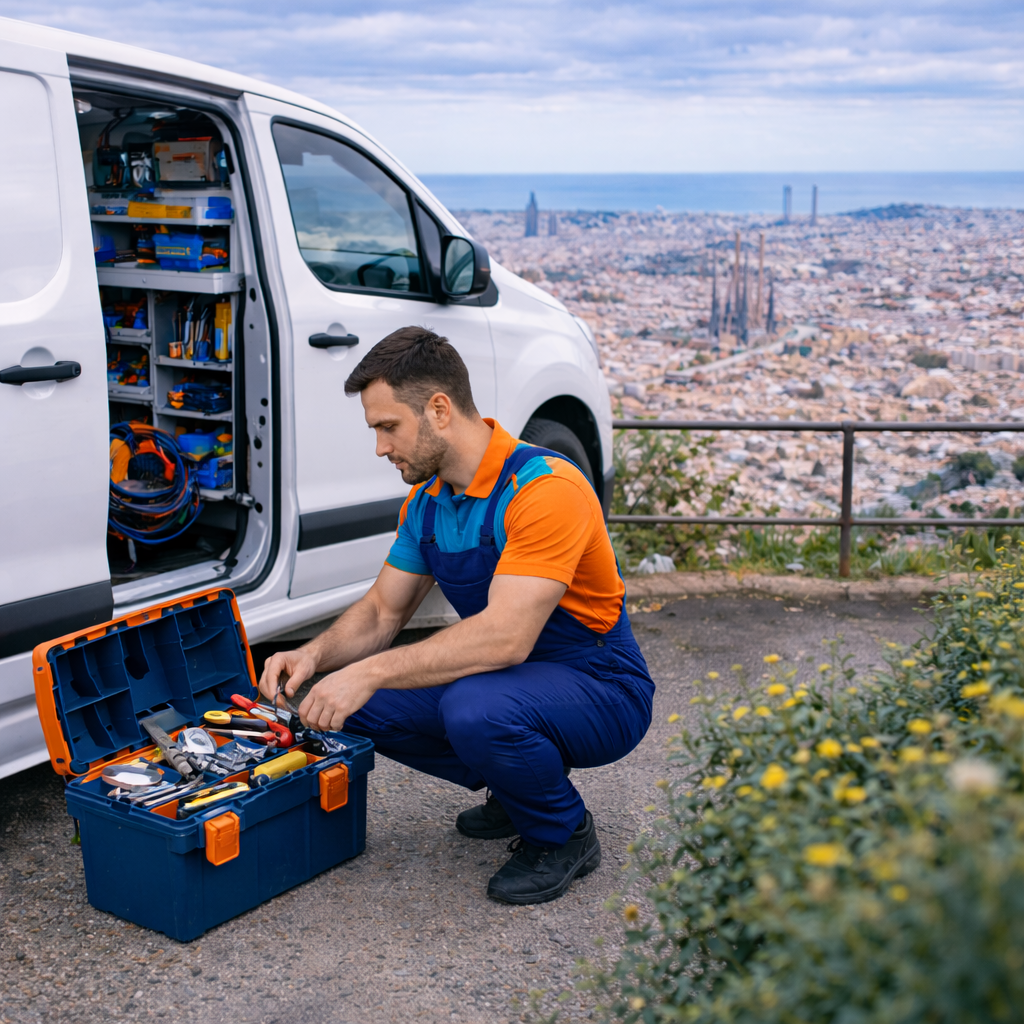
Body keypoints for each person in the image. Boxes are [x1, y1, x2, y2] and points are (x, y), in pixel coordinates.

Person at [258, 327, 655, 904]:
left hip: (601, 683)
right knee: (342, 706)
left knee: (474, 708)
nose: (380, 447)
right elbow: (381, 612)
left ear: (439, 410)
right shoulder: (426, 502)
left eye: (387, 427)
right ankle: (518, 789)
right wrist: (313, 657)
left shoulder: (545, 490)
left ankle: (562, 832)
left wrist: (370, 671)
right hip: (512, 680)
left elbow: (506, 638)